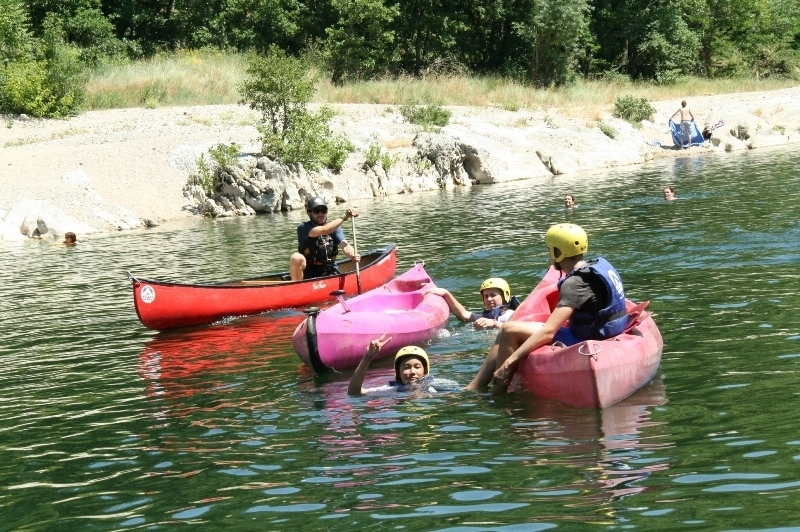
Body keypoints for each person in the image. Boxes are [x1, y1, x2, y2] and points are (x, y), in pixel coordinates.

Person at [466, 223, 628, 393]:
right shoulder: (598, 269)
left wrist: (509, 362)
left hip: (587, 339)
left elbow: (548, 332)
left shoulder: (574, 284)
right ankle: (475, 386)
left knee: (507, 329)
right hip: (607, 332)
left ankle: (496, 391)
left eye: (550, 250)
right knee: (510, 328)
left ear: (558, 252)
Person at [348, 335, 456, 395]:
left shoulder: (439, 385)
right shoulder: (391, 389)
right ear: (398, 373)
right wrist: (367, 358)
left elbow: (467, 390)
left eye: (417, 367)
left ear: (425, 371)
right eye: (406, 367)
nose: (412, 372)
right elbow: (354, 392)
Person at [289, 197, 360, 281]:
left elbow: (344, 244)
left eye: (323, 210)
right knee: (296, 258)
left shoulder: (335, 229)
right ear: (309, 213)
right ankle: (298, 288)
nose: (320, 214)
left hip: (329, 269)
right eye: (316, 211)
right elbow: (325, 230)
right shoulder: (303, 228)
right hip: (309, 271)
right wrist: (345, 216)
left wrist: (352, 255)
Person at [429, 278, 521, 330]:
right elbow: (464, 315)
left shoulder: (510, 314)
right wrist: (446, 294)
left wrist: (494, 324)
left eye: (493, 295)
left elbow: (515, 330)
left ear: (505, 295)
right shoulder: (485, 316)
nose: (489, 299)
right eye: (486, 296)